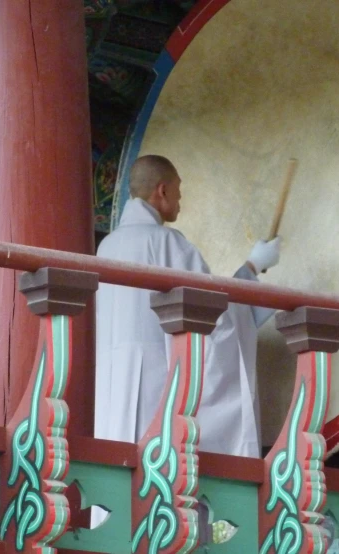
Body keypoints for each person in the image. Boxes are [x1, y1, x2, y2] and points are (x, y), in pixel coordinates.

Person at [94, 154, 281, 460]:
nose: (181, 200)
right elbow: (214, 315)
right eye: (178, 191)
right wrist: (253, 266)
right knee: (159, 475)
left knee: (123, 479)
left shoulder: (107, 246)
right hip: (155, 388)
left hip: (113, 394)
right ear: (162, 190)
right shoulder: (167, 243)